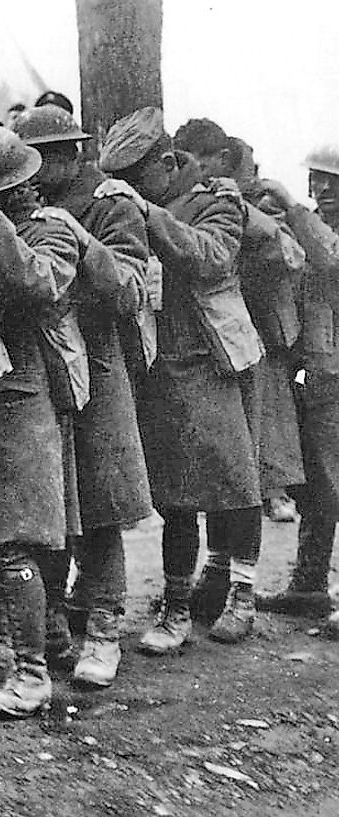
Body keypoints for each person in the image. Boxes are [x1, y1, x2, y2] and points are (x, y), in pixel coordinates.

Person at [95, 107, 262, 653]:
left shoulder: (219, 199)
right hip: (160, 364)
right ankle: (176, 605)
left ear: (166, 163)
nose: (129, 190)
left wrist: (145, 211)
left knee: (235, 483)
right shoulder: (150, 201)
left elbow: (210, 258)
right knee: (176, 495)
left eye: (137, 178)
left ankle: (243, 593)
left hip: (215, 361)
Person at [0, 126, 85, 718]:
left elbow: (39, 283)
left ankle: (32, 673)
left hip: (26, 399)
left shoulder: (52, 229)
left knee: (14, 537)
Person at [13, 103, 153, 688]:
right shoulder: (21, 205)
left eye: (41, 159)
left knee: (100, 507)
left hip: (97, 363)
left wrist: (77, 237)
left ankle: (103, 630)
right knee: (49, 504)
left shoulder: (111, 203)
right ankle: (52, 628)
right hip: (42, 364)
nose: (31, 171)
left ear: (71, 155)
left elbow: (130, 290)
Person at [172, 118, 303, 624]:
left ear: (226, 163)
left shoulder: (250, 212)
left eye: (204, 163)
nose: (198, 175)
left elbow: (288, 255)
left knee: (244, 475)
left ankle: (241, 593)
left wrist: (244, 203)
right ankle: (218, 570)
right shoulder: (193, 205)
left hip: (253, 356)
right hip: (207, 355)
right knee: (212, 476)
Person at [255, 146, 339, 623]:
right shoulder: (310, 228)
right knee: (316, 485)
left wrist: (292, 209)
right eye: (317, 180)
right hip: (314, 373)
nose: (323, 190)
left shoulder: (319, 233)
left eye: (334, 181)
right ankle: (308, 584)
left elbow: (331, 262)